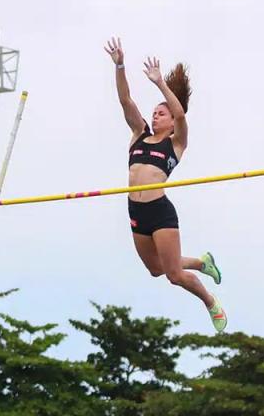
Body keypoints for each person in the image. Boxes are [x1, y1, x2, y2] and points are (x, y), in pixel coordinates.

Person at [104, 37, 227, 332]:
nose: (155, 115)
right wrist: (120, 65)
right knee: (155, 270)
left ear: (171, 121)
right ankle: (200, 262)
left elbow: (181, 113)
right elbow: (125, 100)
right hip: (136, 211)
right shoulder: (139, 134)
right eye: (154, 112)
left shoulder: (176, 143)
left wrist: (160, 84)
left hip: (159, 212)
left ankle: (210, 301)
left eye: (162, 113)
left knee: (173, 274)